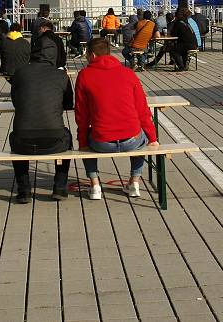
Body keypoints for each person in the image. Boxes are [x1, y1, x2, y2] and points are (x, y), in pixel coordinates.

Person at [75, 38, 159, 200]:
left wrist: (82, 142)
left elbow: (82, 114)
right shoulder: (128, 73)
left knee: (87, 137)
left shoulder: (84, 75)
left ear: (92, 55)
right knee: (138, 134)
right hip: (131, 140)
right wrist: (153, 138)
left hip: (102, 141)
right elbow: (142, 109)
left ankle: (95, 185)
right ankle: (134, 181)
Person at [9, 43, 74, 202]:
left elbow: (15, 101)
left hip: (23, 140)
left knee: (14, 138)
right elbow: (68, 104)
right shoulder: (61, 75)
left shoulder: (20, 73)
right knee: (67, 137)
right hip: (54, 139)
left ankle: (24, 190)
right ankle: (59, 187)